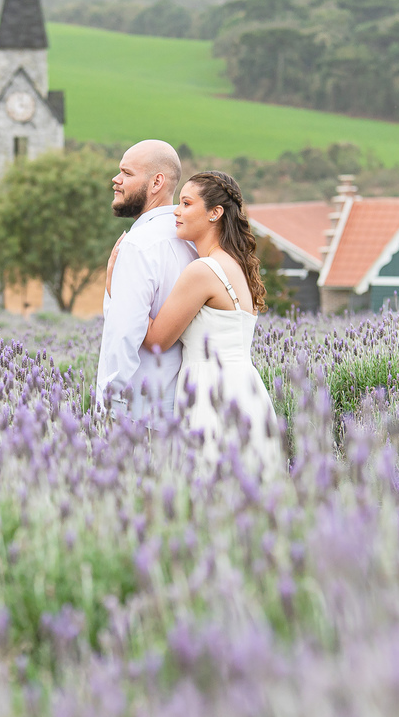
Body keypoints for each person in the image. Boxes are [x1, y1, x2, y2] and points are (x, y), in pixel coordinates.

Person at [134, 170, 283, 470]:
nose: (176, 210)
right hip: (246, 387)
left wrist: (121, 288)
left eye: (187, 203)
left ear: (215, 213)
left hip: (210, 391)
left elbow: (155, 341)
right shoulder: (236, 265)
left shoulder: (203, 270)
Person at [95, 140, 198, 419]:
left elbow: (125, 334)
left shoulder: (139, 245)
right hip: (176, 410)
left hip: (136, 415)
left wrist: (111, 406)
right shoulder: (192, 242)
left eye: (127, 173)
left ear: (156, 183)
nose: (115, 180)